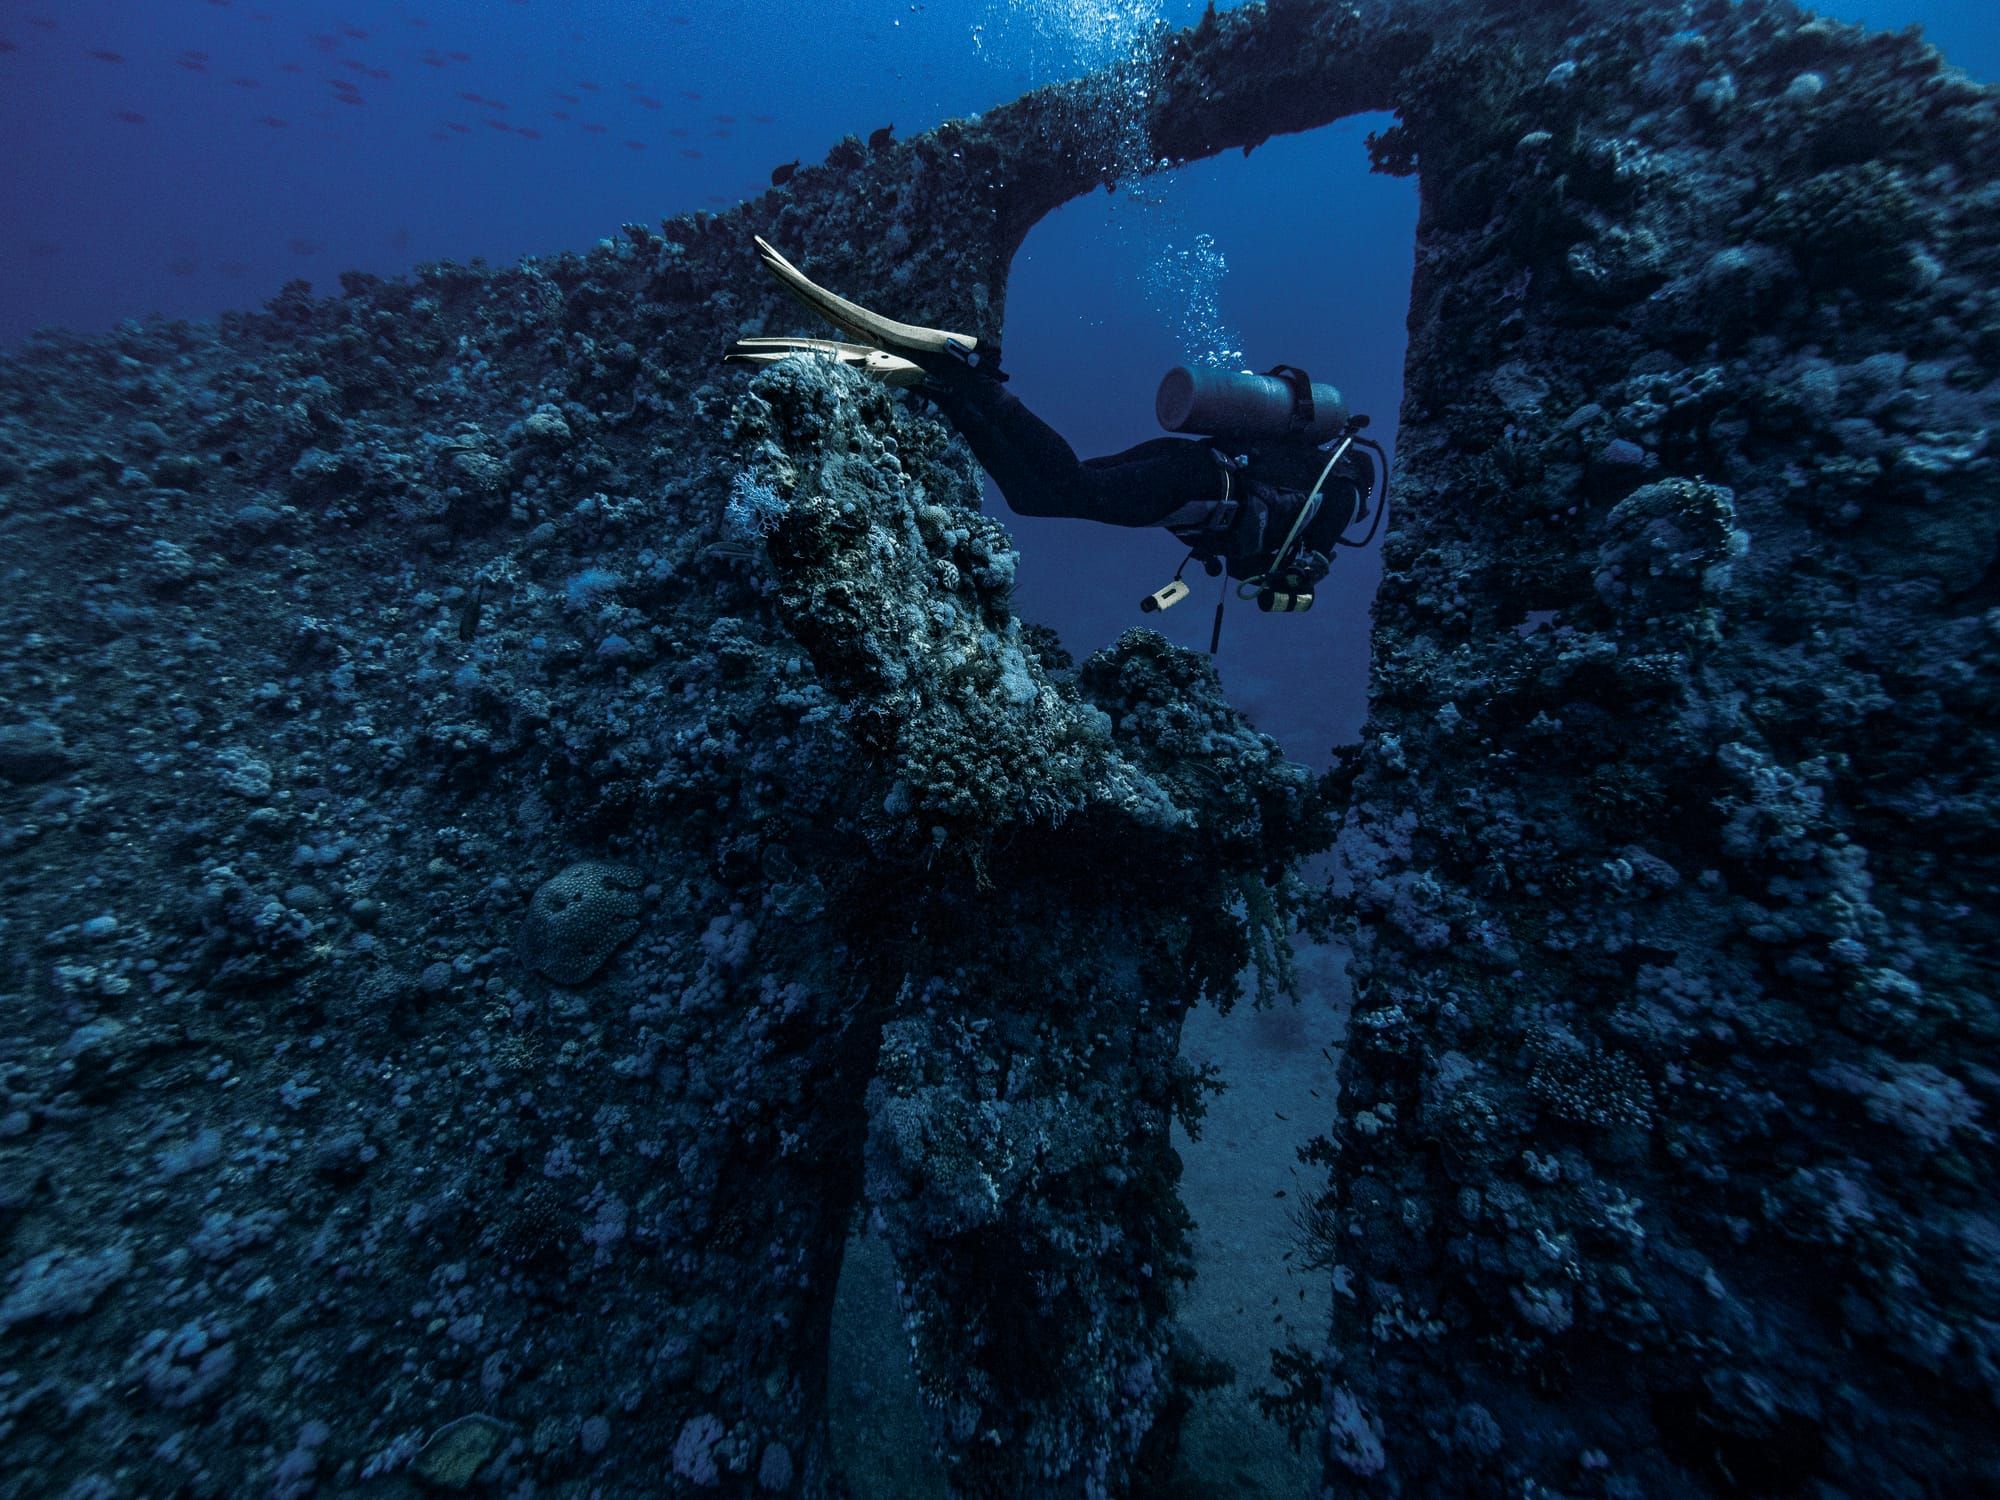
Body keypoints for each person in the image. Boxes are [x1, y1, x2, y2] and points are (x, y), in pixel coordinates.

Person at [726, 237, 1384, 636]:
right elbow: (1278, 566)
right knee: (1066, 485)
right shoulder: (1339, 499)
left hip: (1187, 474)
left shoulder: (1318, 474)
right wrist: (1294, 577)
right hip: (1190, 487)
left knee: (1033, 496)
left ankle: (936, 387)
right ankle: (972, 373)